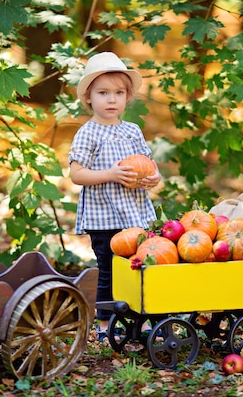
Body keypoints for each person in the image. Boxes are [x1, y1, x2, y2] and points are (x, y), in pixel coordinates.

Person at [68, 52, 161, 341]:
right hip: (104, 217)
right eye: (103, 93)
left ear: (127, 97)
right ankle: (106, 324)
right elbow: (77, 174)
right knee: (108, 270)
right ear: (89, 98)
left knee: (142, 267)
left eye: (118, 93)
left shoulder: (132, 131)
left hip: (136, 215)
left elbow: (148, 163)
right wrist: (110, 173)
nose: (111, 100)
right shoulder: (88, 133)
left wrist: (154, 177)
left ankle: (143, 321)